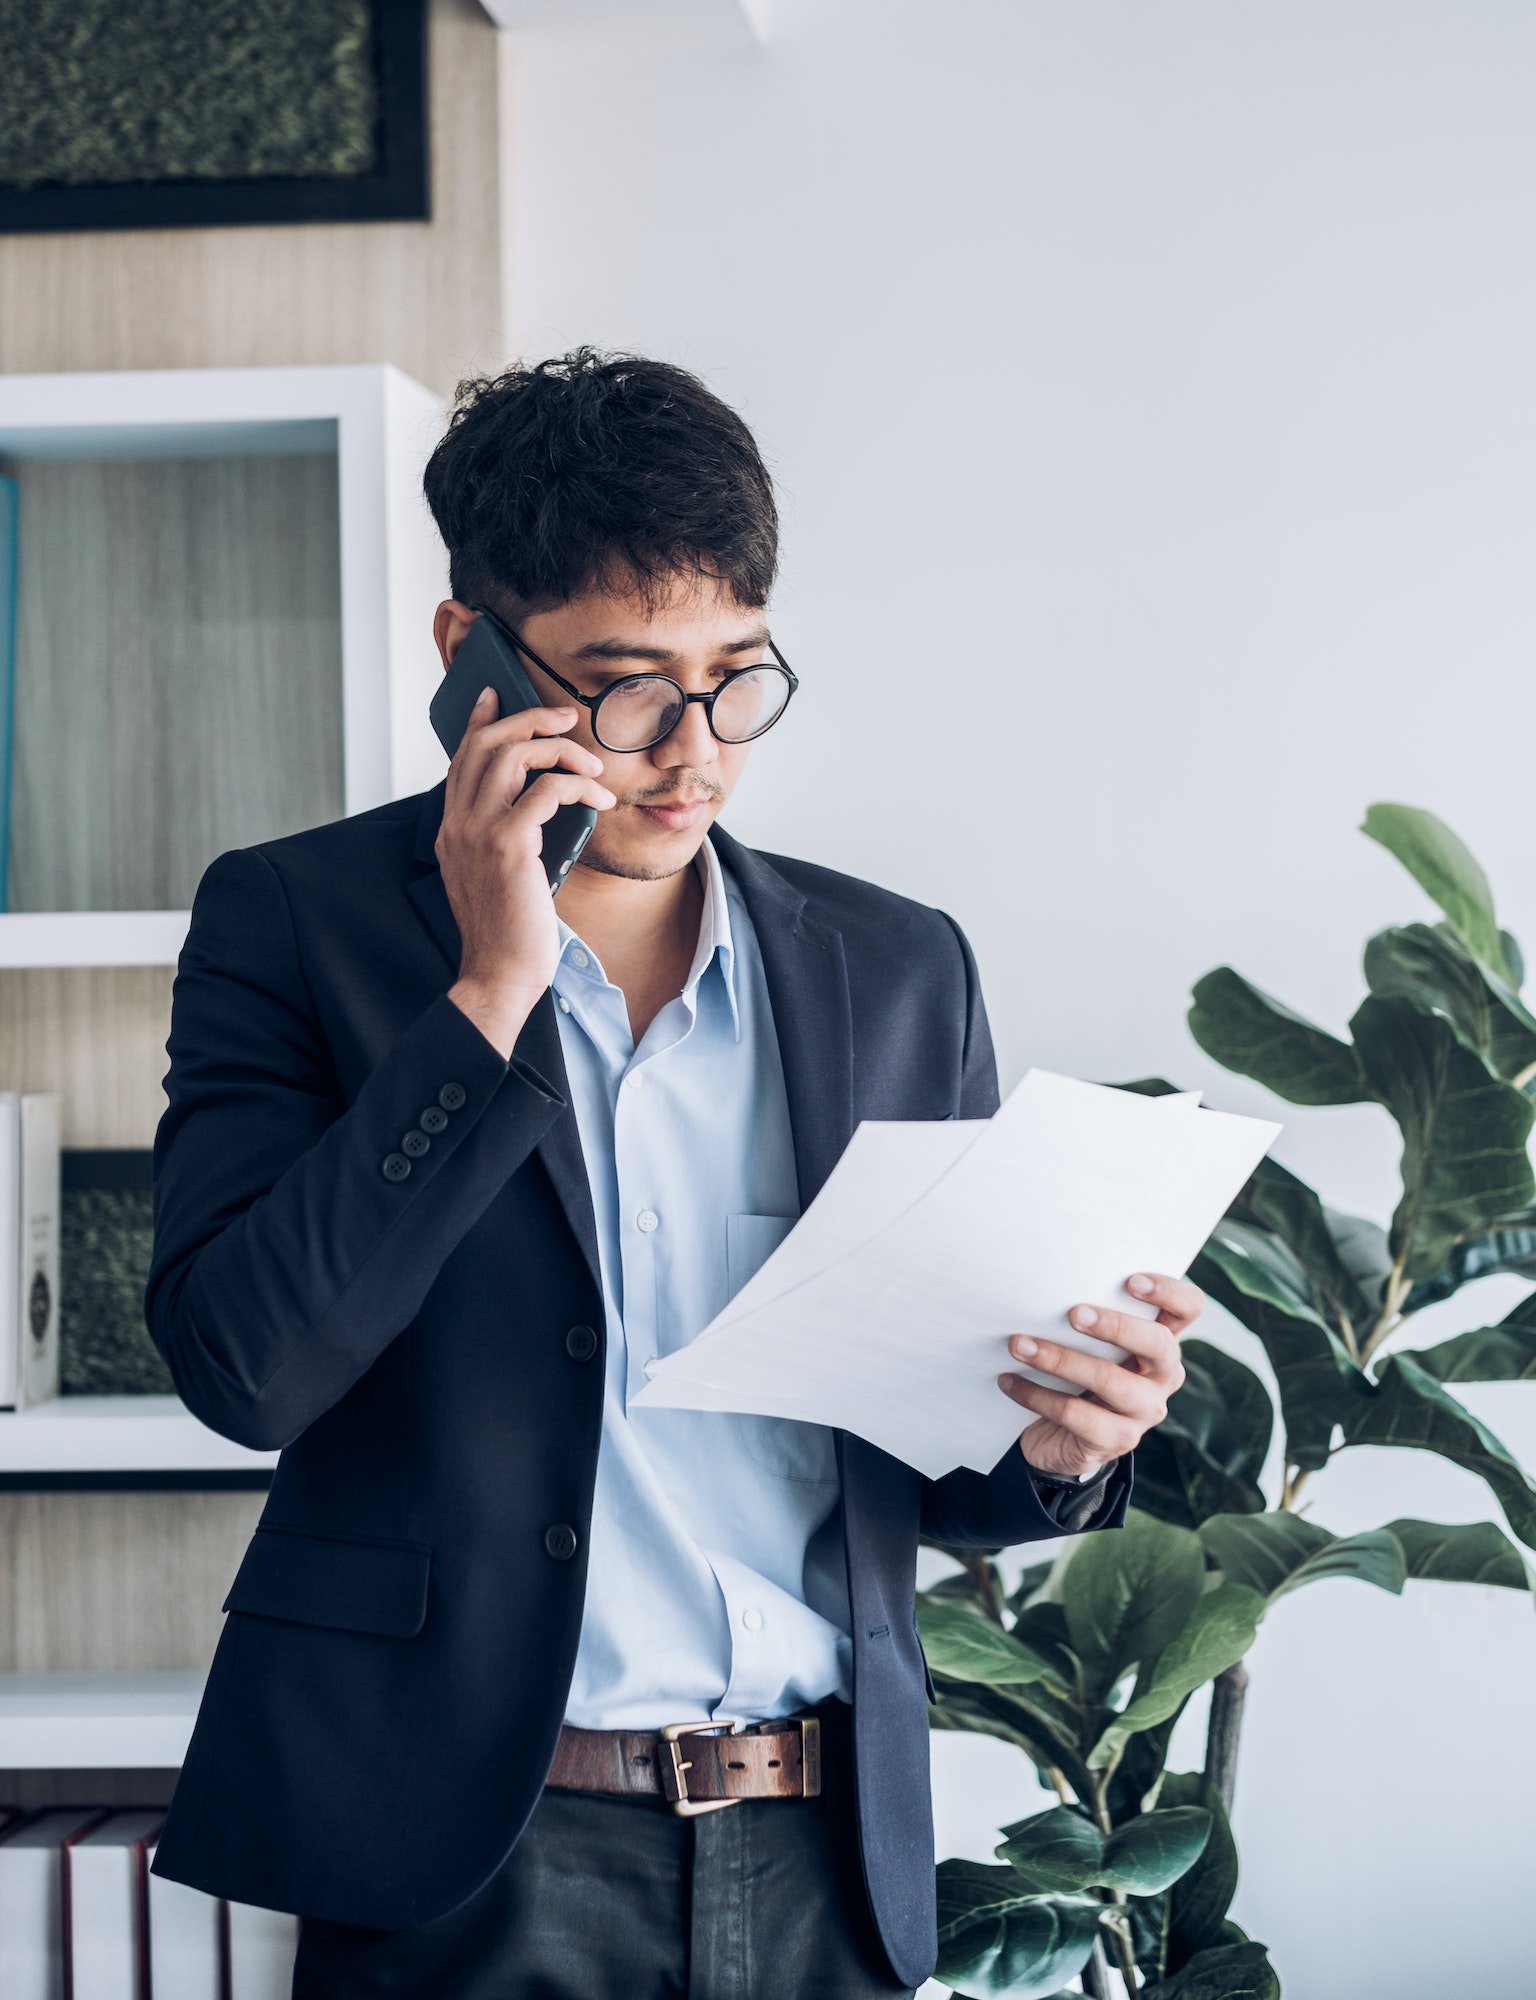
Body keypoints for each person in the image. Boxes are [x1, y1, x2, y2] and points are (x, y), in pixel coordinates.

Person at [146, 348, 1200, 1999]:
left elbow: (933, 1476)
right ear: (470, 657)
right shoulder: (297, 926)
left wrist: (1063, 1443)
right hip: (464, 1858)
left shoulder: (897, 965)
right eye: (630, 687)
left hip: (820, 1851)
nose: (693, 751)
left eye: (738, 678)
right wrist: (491, 992)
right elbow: (242, 1370)